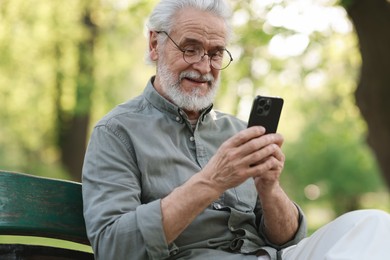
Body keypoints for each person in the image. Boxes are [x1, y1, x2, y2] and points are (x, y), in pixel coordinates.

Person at [82, 0, 390, 259]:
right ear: (154, 45)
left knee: (375, 224)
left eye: (216, 53)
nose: (204, 67)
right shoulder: (116, 132)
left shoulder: (238, 131)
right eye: (190, 49)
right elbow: (113, 246)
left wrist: (269, 188)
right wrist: (212, 181)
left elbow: (287, 241)